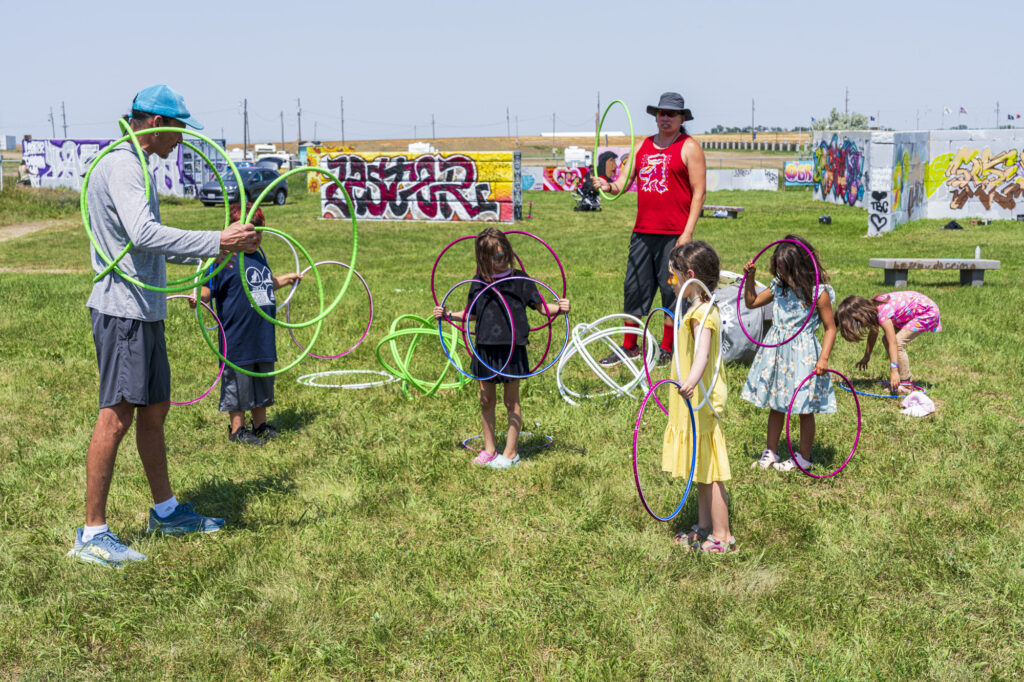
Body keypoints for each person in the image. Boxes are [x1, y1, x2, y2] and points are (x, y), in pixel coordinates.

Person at [69, 85, 260, 568]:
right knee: (116, 416)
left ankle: (166, 511)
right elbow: (144, 233)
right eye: (177, 131)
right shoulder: (124, 165)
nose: (181, 141)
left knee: (153, 412)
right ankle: (93, 533)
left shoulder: (137, 164)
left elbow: (154, 245)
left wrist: (221, 247)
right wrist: (216, 235)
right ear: (155, 123)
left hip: (145, 310)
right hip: (123, 311)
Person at [433, 228, 570, 469]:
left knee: (511, 401)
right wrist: (448, 315)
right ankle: (489, 449)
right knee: (486, 400)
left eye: (505, 253)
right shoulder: (478, 282)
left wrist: (560, 307)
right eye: (496, 257)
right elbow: (471, 314)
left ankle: (510, 453)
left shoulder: (520, 279)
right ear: (484, 259)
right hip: (485, 348)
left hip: (512, 347)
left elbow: (541, 308)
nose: (502, 260)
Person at [593, 92, 707, 368]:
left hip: (675, 234)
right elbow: (622, 182)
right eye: (661, 113)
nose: (665, 118)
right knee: (634, 289)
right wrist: (608, 187)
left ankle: (667, 348)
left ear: (682, 118)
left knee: (672, 291)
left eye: (671, 114)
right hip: (643, 233)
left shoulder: (689, 147)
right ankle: (629, 347)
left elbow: (699, 193)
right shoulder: (642, 146)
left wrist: (687, 233)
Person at [199, 204, 302, 445]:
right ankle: (237, 430)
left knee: (262, 378)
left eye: (259, 233)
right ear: (234, 233)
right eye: (248, 234)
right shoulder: (225, 260)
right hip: (237, 335)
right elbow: (207, 288)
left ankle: (260, 425)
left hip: (262, 333)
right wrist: (199, 298)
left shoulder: (259, 257)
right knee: (239, 381)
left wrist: (284, 280)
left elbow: (263, 285)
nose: (255, 238)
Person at [740, 235, 837, 472]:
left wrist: (823, 358)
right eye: (778, 269)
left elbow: (830, 328)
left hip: (803, 355)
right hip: (777, 353)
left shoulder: (818, 293)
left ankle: (803, 457)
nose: (781, 274)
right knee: (776, 403)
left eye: (785, 270)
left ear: (800, 266)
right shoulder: (778, 286)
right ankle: (771, 451)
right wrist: (750, 278)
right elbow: (751, 302)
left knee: (804, 407)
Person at [661, 241, 734, 552]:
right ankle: (705, 526)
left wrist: (689, 382)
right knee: (701, 466)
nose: (669, 282)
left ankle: (723, 535)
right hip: (692, 397)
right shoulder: (699, 309)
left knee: (712, 470)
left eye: (673, 276)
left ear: (689, 276)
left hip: (698, 398)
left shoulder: (700, 315)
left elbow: (702, 355)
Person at [835, 291, 941, 393]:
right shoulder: (873, 310)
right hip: (916, 310)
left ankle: (906, 384)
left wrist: (893, 371)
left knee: (898, 342)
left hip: (927, 312)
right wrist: (867, 356)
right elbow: (874, 333)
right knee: (886, 339)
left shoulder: (882, 312)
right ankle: (899, 380)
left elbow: (893, 342)